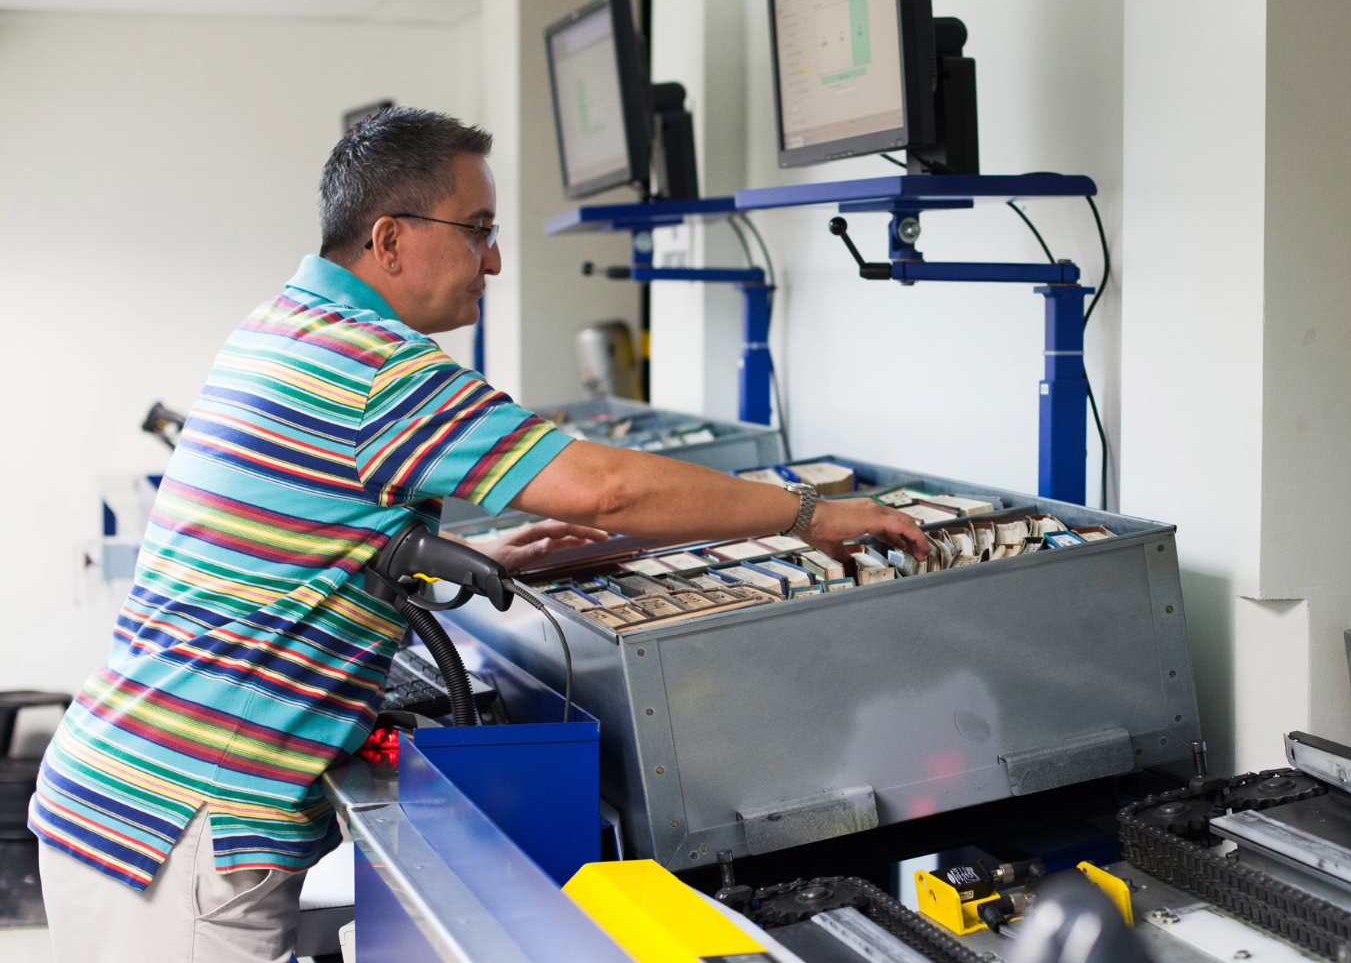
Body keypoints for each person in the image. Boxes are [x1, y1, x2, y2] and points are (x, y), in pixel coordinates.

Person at [30, 108, 928, 962]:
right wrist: (813, 513)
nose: (492, 261)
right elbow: (607, 487)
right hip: (182, 823)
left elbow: (300, 541)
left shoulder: (287, 326)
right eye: (477, 229)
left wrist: (472, 559)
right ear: (390, 238)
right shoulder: (376, 363)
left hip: (134, 789)